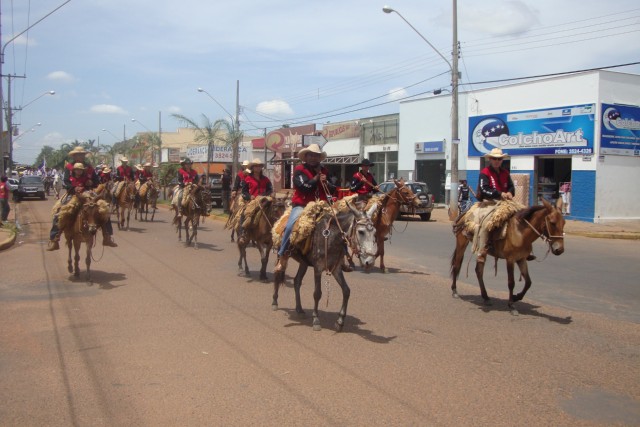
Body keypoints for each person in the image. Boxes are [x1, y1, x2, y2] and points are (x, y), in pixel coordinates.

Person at [275, 144, 337, 273]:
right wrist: (316, 179)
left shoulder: (325, 171)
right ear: (306, 157)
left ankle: (342, 258)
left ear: (320, 158)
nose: (313, 158)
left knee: (340, 224)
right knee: (290, 226)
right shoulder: (299, 170)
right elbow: (304, 187)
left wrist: (326, 182)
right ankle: (282, 255)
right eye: (311, 155)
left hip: (321, 205)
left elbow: (333, 188)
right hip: (302, 205)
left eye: (316, 155)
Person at [474, 148, 534, 262]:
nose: (497, 161)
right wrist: (500, 193)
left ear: (502, 160)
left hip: (506, 202)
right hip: (490, 202)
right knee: (487, 222)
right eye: (494, 159)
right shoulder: (484, 173)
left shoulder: (505, 172)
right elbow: (483, 189)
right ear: (490, 159)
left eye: (499, 159)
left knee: (525, 216)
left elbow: (511, 187)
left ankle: (526, 248)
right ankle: (483, 249)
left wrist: (510, 193)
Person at [46, 162, 118, 251]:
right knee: (59, 212)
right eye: (77, 170)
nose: (79, 171)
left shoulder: (88, 172)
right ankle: (55, 238)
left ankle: (107, 236)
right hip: (72, 195)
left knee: (104, 210)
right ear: (74, 170)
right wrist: (74, 188)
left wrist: (91, 183)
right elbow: (66, 183)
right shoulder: (69, 172)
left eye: (80, 170)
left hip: (87, 194)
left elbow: (96, 183)